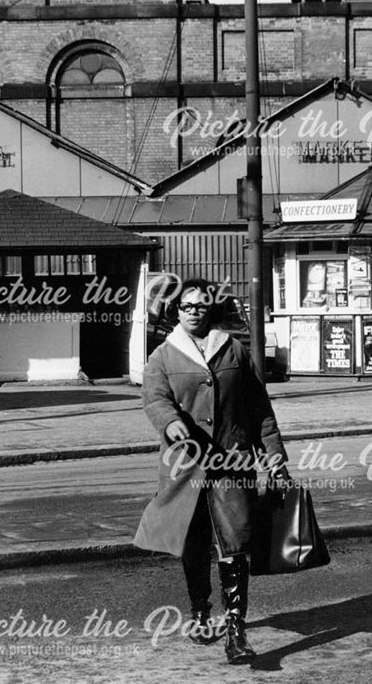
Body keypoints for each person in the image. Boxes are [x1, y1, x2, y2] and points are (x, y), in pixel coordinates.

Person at [134, 278, 288, 665]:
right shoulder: (163, 356)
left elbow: (259, 409)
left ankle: (236, 629)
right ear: (177, 311)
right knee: (194, 543)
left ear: (211, 310)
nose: (194, 312)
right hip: (185, 468)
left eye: (201, 306)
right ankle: (201, 612)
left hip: (231, 465)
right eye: (187, 306)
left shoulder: (234, 351)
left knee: (235, 545)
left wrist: (274, 458)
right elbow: (154, 398)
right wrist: (170, 422)